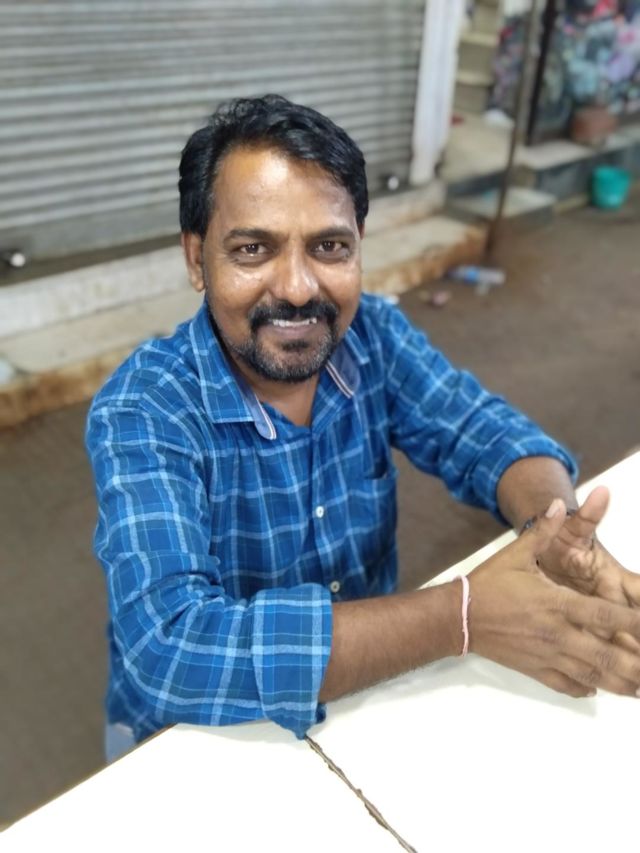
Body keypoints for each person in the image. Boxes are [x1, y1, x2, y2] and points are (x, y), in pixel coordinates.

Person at [86, 94, 640, 761]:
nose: (297, 288)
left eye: (329, 246)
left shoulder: (372, 336)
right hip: (199, 748)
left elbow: (485, 431)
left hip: (363, 701)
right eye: (253, 248)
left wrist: (557, 529)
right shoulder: (145, 409)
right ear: (196, 258)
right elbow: (170, 648)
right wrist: (462, 615)